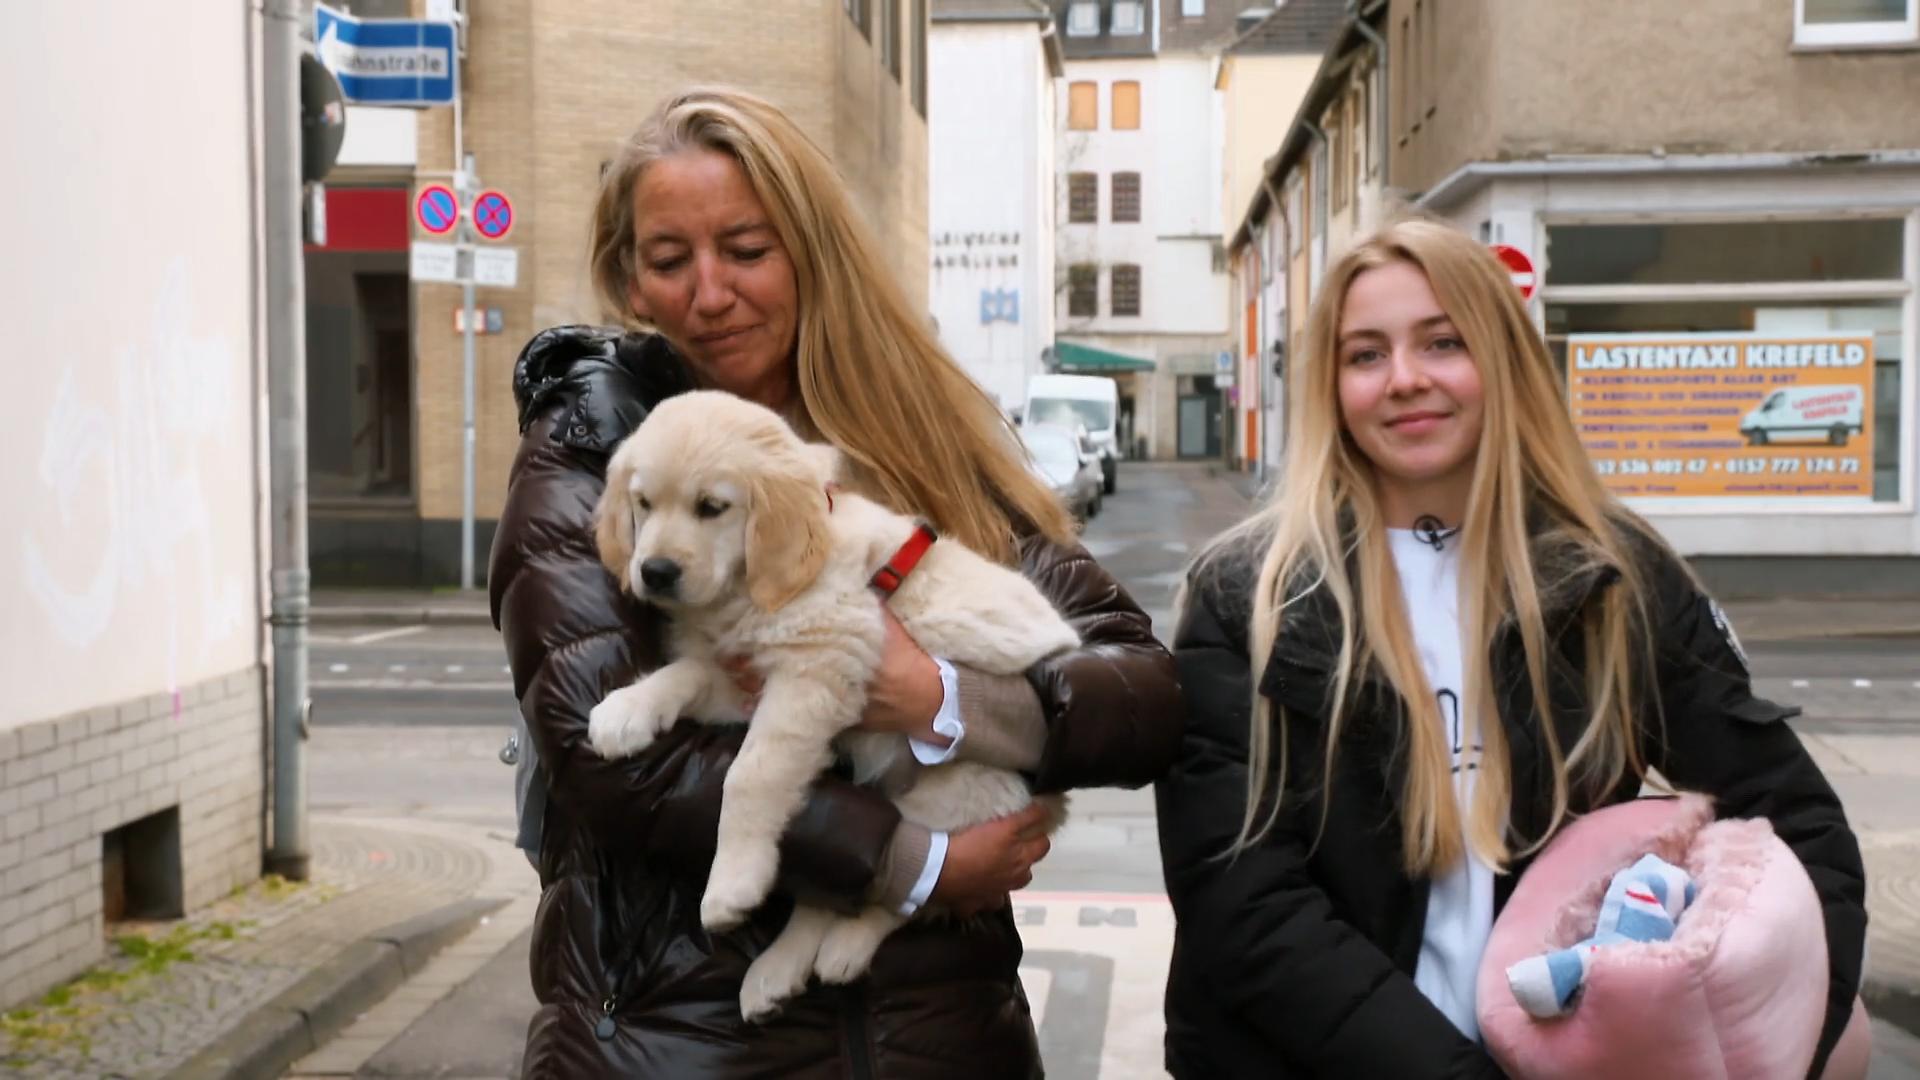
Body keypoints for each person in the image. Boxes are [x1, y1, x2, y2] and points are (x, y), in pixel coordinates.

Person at [489, 87, 1182, 1078]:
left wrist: (939, 697)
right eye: (670, 260)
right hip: (681, 1047)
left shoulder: (921, 437)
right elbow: (608, 757)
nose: (710, 293)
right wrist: (914, 862)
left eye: (747, 249)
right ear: (628, 279)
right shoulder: (598, 451)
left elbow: (1142, 691)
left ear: (812, 251)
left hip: (942, 1043)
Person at [1156, 218, 1866, 1079]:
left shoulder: (1610, 579)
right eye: (1366, 354)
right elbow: (1243, 904)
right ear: (1332, 387)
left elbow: (1799, 826)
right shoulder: (1251, 596)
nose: (1405, 379)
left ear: (1504, 360)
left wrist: (1780, 1041)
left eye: (1443, 342)